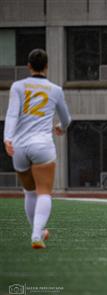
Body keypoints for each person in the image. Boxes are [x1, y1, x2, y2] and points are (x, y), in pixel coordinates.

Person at [3, 49, 71, 249]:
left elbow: (12, 114)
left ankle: (38, 231)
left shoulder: (18, 86)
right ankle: (36, 235)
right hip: (42, 145)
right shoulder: (55, 89)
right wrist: (61, 128)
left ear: (29, 66)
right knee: (44, 192)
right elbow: (66, 118)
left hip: (20, 146)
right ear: (47, 66)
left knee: (29, 192)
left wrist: (7, 138)